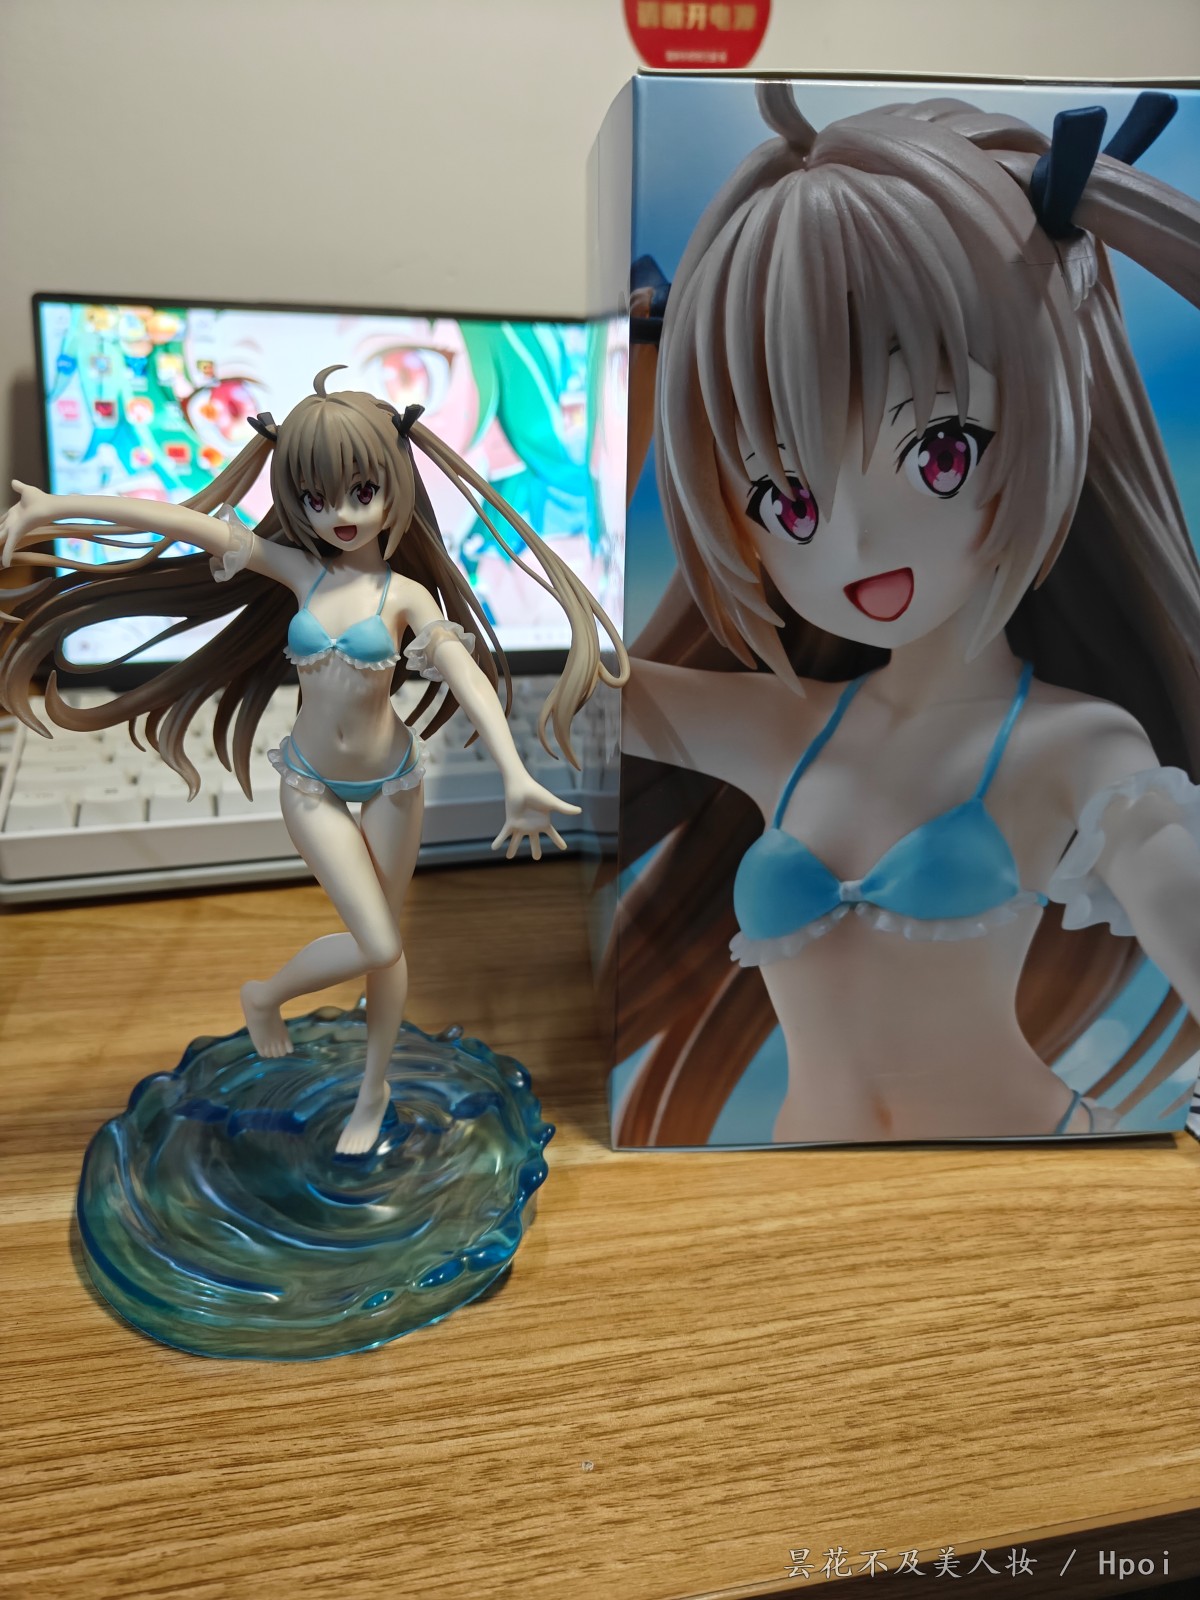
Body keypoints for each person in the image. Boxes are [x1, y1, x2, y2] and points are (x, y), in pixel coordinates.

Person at [612, 86, 1200, 1145]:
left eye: (938, 453)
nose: (853, 543)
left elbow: (1172, 890)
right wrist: (643, 396)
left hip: (1029, 1176)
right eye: (786, 501)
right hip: (811, 1182)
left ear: (1046, 416)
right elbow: (573, 675)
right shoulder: (783, 727)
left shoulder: (1078, 745)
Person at [1, 366, 628, 1153]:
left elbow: (463, 673)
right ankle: (264, 996)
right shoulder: (299, 571)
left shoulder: (405, 596)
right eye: (316, 497)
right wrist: (57, 508)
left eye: (362, 491)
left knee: (386, 950)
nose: (340, 515)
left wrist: (514, 771)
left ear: (394, 483)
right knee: (377, 943)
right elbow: (187, 523)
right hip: (310, 784)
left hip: (393, 782)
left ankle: (373, 1091)